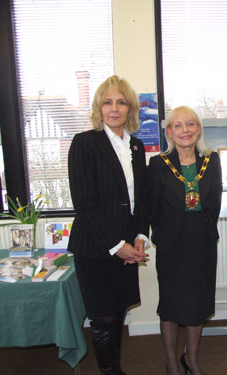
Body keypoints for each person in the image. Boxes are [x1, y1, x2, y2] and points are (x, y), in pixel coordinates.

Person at [68, 75, 149, 375]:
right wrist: (118, 247)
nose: (114, 108)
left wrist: (140, 236)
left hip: (127, 245)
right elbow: (84, 204)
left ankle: (114, 369)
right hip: (96, 247)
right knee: (102, 319)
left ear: (130, 109)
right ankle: (109, 372)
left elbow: (141, 200)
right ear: (98, 108)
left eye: (121, 102)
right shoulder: (84, 144)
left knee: (117, 313)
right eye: (107, 102)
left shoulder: (137, 147)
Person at [147, 106, 222, 375]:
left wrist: (202, 228)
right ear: (169, 132)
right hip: (171, 244)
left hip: (201, 240)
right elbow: (151, 206)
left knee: (198, 302)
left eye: (190, 124)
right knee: (170, 304)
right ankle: (171, 362)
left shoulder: (211, 160)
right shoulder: (157, 164)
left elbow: (215, 201)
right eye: (178, 126)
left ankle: (191, 359)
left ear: (198, 129)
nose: (185, 130)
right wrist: (165, 233)